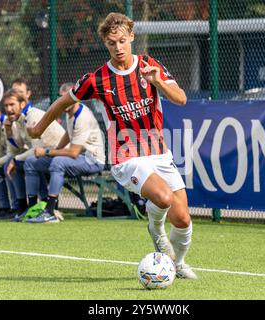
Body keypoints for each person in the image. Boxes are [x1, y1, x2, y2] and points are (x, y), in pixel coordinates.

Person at [28, 13, 196, 279]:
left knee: (184, 219)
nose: (118, 48)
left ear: (131, 36)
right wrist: (40, 127)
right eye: (111, 43)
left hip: (159, 153)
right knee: (163, 198)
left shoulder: (149, 65)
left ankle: (178, 263)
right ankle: (156, 229)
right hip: (125, 157)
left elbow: (181, 99)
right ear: (105, 44)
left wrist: (158, 82)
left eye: (121, 41)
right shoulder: (97, 79)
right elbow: (63, 102)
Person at [24, 83, 105, 223]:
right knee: (30, 162)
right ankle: (33, 209)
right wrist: (51, 152)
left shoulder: (83, 116)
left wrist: (47, 152)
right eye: (62, 97)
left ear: (76, 98)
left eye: (68, 97)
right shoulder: (70, 112)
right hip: (79, 157)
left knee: (58, 162)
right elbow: (68, 134)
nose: (65, 100)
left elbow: (73, 152)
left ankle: (50, 212)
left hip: (93, 160)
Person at [3, 89, 65, 218]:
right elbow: (19, 147)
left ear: (22, 104)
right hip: (46, 155)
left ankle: (32, 207)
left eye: (12, 104)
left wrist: (16, 160)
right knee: (19, 162)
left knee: (27, 162)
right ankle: (23, 207)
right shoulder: (21, 119)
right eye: (6, 105)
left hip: (60, 155)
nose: (8, 109)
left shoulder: (32, 116)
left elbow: (36, 150)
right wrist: (9, 131)